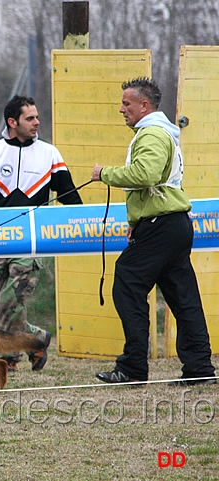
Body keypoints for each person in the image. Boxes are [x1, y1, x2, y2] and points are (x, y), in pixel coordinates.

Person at [91, 77, 216, 386]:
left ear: (143, 105)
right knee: (182, 297)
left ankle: (133, 368)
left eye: (126, 104)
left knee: (127, 283)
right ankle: (199, 368)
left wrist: (104, 174)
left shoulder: (151, 134)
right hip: (171, 223)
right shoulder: (162, 133)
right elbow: (161, 183)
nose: (122, 109)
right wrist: (138, 218)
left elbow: (145, 174)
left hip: (162, 225)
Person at [0, 95, 82, 372]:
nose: (37, 122)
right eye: (30, 118)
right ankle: (37, 338)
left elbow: (69, 195)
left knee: (10, 300)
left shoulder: (50, 154)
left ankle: (9, 359)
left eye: (37, 117)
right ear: (12, 122)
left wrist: (85, 220)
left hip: (31, 241)